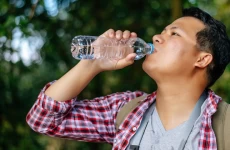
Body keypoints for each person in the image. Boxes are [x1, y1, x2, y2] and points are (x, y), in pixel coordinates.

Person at [26, 7, 230, 150]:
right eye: (162, 32)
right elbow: (43, 120)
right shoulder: (125, 109)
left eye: (174, 34)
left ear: (202, 59)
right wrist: (92, 64)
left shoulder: (225, 125)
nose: (156, 37)